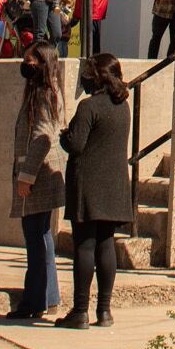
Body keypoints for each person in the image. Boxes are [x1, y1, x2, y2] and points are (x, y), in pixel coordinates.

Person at [58, 53, 132, 329]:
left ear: (97, 76)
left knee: (85, 245)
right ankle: (104, 310)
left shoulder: (89, 106)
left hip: (88, 183)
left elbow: (76, 145)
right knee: (106, 244)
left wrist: (66, 137)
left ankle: (80, 311)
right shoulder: (122, 107)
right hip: (114, 185)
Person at [8, 40, 66, 320]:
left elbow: (42, 138)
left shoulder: (44, 94)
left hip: (39, 174)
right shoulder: (42, 90)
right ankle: (47, 297)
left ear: (43, 62)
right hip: (40, 173)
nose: (26, 65)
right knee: (41, 237)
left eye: (31, 60)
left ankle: (35, 300)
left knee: (37, 238)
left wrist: (26, 177)